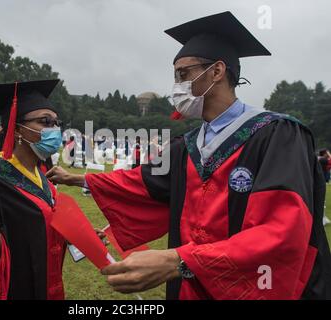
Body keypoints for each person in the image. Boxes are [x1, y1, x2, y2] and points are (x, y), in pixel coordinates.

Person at [47, 11, 331, 300]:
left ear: (217, 72)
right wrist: (78, 179)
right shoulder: (188, 145)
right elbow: (143, 182)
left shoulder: (276, 135)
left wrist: (180, 260)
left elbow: (282, 230)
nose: (177, 86)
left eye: (183, 74)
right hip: (190, 288)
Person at [0, 79, 97, 300]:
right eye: (45, 121)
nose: (54, 129)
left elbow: (33, 230)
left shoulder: (41, 177)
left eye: (56, 122)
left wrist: (77, 237)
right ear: (16, 130)